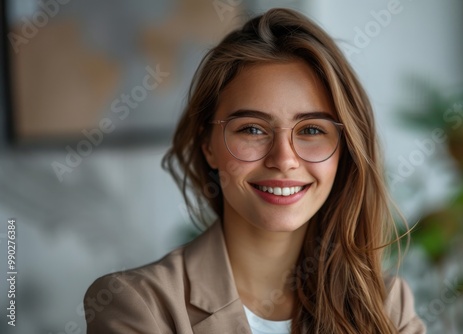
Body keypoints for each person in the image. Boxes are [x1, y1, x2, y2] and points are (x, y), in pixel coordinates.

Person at [84, 7, 426, 334]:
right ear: (208, 145)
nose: (284, 159)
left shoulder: (388, 306)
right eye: (252, 129)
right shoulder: (138, 305)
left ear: (346, 149)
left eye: (311, 130)